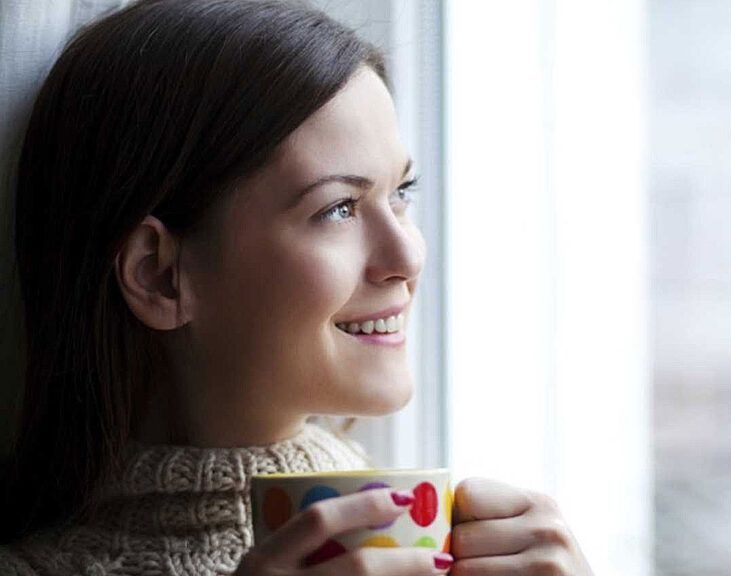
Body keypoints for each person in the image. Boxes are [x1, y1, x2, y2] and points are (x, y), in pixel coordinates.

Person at [0, 0, 594, 574]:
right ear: (159, 275)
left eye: (401, 194)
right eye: (339, 208)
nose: (407, 256)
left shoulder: (438, 542)